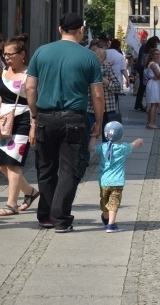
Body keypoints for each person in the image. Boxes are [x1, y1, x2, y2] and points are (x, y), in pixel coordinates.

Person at [26, 12, 104, 232]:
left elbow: (30, 88)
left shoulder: (41, 52)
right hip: (74, 118)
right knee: (70, 170)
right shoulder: (88, 57)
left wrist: (34, 115)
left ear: (60, 29)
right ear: (81, 30)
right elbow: (97, 94)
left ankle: (46, 217)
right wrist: (98, 121)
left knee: (46, 168)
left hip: (44, 117)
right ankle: (60, 219)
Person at [0, 34, 38, 216]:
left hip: (23, 119)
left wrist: (34, 124)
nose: (7, 57)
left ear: (23, 54)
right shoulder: (4, 71)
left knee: (13, 164)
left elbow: (34, 100)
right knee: (1, 165)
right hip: (4, 120)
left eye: (11, 54)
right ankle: (30, 192)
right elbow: (3, 96)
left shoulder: (30, 74)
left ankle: (11, 204)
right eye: (5, 54)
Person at [89, 122, 144, 232]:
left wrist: (94, 136)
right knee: (114, 203)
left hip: (104, 181)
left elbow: (91, 148)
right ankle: (111, 224)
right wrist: (139, 141)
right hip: (117, 182)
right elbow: (134, 144)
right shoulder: (123, 148)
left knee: (104, 201)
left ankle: (106, 218)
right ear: (121, 135)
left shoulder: (103, 147)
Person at [86, 46, 121, 144]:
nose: (96, 58)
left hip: (108, 108)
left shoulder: (107, 68)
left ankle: (107, 156)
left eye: (98, 56)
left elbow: (118, 87)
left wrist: (107, 82)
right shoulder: (87, 69)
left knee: (109, 135)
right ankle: (85, 157)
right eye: (94, 55)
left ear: (103, 57)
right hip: (90, 107)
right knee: (89, 133)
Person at [144, 48, 160, 130]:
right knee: (154, 104)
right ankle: (151, 123)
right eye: (156, 54)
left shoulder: (155, 63)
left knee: (154, 104)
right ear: (152, 55)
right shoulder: (153, 64)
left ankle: (150, 122)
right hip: (153, 84)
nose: (158, 55)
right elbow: (159, 75)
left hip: (155, 83)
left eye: (158, 54)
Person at [133, 32, 150, 111]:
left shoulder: (144, 46)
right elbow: (144, 58)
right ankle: (139, 104)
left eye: (145, 39)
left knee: (142, 87)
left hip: (141, 67)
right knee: (142, 87)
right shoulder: (145, 46)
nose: (144, 41)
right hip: (142, 67)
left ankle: (138, 104)